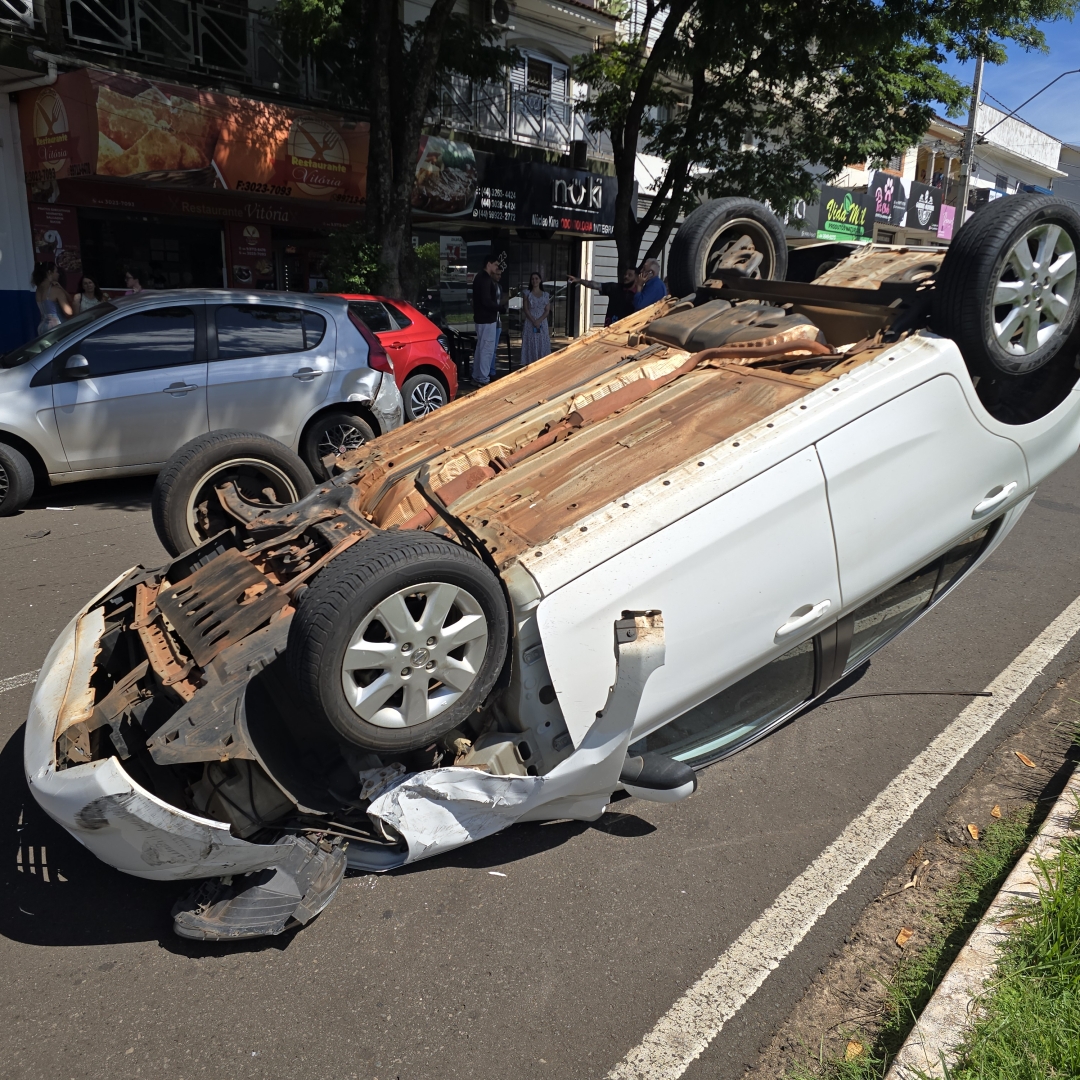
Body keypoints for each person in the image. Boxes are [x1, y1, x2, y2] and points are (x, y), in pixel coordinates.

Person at [470, 253, 505, 386]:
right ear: (488, 264)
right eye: (495, 264)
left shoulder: (479, 277)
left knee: (481, 347)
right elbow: (486, 300)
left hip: (481, 318)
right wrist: (500, 308)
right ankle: (483, 378)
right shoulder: (485, 279)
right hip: (487, 319)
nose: (497, 267)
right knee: (487, 349)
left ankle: (477, 376)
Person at [568, 266, 637, 325]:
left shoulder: (639, 296)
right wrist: (578, 280)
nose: (626, 276)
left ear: (636, 278)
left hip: (626, 331)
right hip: (609, 330)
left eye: (630, 275)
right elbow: (595, 285)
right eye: (625, 274)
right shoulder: (615, 288)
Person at [32, 262, 73, 335]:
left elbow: (69, 298)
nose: (58, 274)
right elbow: (69, 312)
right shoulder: (56, 291)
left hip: (42, 327)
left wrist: (60, 287)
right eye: (56, 271)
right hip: (57, 326)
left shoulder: (38, 290)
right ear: (49, 273)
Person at [520, 272, 551, 365]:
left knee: (542, 341)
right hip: (530, 322)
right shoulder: (527, 293)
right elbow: (525, 309)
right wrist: (534, 321)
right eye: (532, 279)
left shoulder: (545, 294)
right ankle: (530, 361)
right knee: (531, 341)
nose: (534, 280)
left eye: (536, 278)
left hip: (542, 322)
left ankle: (542, 362)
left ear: (540, 280)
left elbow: (547, 310)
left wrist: (539, 320)